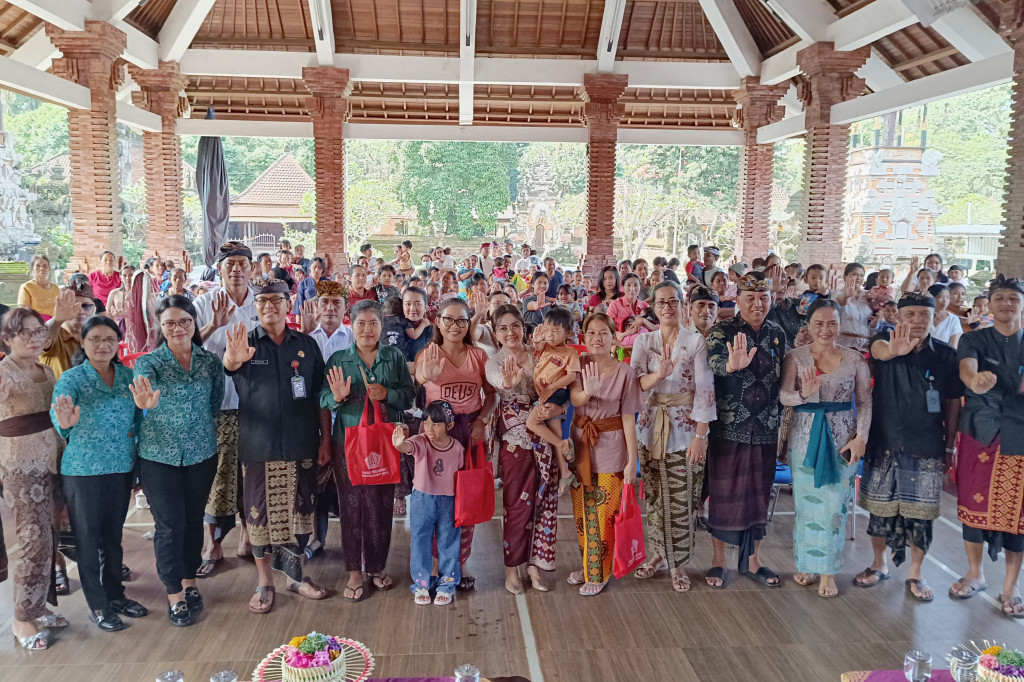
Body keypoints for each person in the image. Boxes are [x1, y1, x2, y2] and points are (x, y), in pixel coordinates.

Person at [223, 277, 331, 614]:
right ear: (255, 306)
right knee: (259, 516)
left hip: (301, 442)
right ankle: (265, 581)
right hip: (259, 445)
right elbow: (229, 366)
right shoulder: (245, 343)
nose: (269, 306)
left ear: (289, 303)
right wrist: (232, 358)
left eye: (277, 300)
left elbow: (319, 397)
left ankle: (296, 577)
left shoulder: (306, 345)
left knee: (300, 513)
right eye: (263, 301)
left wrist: (325, 438)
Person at [857, 292, 962, 602]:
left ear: (934, 317)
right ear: (899, 317)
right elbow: (877, 352)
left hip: (926, 442)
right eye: (910, 314)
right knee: (879, 510)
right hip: (884, 438)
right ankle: (879, 564)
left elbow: (953, 402)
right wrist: (894, 350)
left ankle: (916, 571)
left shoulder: (945, 355)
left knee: (922, 515)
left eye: (924, 315)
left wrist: (950, 445)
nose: (917, 320)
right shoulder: (884, 339)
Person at [131, 296, 224, 626]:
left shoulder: (210, 362)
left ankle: (189, 581)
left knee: (192, 520)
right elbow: (144, 396)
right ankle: (175, 595)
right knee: (169, 525)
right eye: (169, 323)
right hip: (159, 456)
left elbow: (215, 403)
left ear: (194, 323)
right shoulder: (149, 364)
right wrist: (145, 403)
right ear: (160, 326)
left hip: (201, 453)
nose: (178, 328)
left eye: (184, 321)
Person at [51, 316, 147, 632]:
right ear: (83, 342)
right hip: (84, 471)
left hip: (120, 467)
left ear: (118, 342)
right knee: (88, 540)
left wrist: (146, 411)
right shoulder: (71, 379)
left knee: (113, 537)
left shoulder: (127, 377)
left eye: (109, 339)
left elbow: (138, 419)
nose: (103, 345)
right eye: (95, 339)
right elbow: (59, 419)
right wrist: (64, 421)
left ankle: (115, 595)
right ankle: (98, 604)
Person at [321, 299, 415, 602]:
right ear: (352, 325)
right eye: (361, 323)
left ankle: (376, 566)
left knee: (381, 506)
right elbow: (322, 398)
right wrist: (336, 398)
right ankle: (354, 573)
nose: (367, 329)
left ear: (381, 326)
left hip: (385, 442)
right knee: (351, 507)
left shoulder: (395, 357)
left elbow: (410, 396)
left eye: (373, 323)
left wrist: (388, 394)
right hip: (347, 443)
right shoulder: (338, 359)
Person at [779, 300, 872, 598]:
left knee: (835, 508)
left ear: (840, 324)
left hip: (844, 441)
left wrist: (862, 437)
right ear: (807, 324)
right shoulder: (795, 357)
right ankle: (806, 562)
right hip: (804, 439)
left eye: (832, 323)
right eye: (819, 323)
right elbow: (783, 396)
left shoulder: (855, 359)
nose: (825, 329)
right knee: (806, 507)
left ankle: (828, 571)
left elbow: (865, 401)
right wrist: (803, 394)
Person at [631, 282, 715, 592]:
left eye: (673, 301)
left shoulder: (695, 342)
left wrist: (701, 435)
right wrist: (659, 375)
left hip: (685, 427)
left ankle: (678, 563)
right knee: (655, 496)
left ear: (682, 305)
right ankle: (658, 554)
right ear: (653, 307)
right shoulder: (645, 341)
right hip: (650, 426)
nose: (667, 307)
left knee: (682, 497)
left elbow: (705, 390)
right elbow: (636, 383)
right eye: (661, 302)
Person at [705, 271, 785, 588]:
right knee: (722, 496)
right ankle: (718, 561)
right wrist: (730, 365)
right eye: (750, 298)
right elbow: (711, 362)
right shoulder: (723, 330)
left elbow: (785, 376)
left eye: (763, 298)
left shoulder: (777, 333)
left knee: (758, 497)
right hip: (728, 427)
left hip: (765, 427)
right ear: (737, 300)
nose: (757, 304)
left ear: (771, 300)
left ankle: (753, 561)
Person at [951, 275, 1024, 617]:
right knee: (972, 505)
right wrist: (975, 381)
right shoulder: (975, 339)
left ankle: (1011, 587)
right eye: (1001, 298)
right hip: (981, 430)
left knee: (1018, 514)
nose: (1007, 304)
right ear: (990, 305)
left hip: (1020, 434)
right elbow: (967, 370)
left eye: (1014, 298)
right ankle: (975, 572)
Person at [415, 298, 497, 591]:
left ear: (468, 324)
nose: (454, 326)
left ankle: (460, 562)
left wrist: (482, 420)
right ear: (438, 321)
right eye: (448, 319)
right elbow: (420, 377)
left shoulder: (479, 356)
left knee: (467, 495)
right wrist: (427, 373)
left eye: (461, 320)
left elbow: (491, 395)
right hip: (438, 434)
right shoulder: (429, 353)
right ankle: (437, 563)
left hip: (470, 431)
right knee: (438, 498)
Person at [0, 308, 66, 650]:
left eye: (37, 332)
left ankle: (38, 607)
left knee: (50, 536)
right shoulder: (3, 373)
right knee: (32, 538)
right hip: (19, 464)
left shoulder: (44, 369)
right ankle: (21, 618)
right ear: (7, 337)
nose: (32, 338)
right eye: (23, 333)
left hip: (52, 457)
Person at [192, 242, 259, 575]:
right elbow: (184, 349)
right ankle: (213, 543)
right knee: (216, 474)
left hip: (253, 403)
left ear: (252, 268)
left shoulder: (262, 305)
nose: (236, 269)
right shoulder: (203, 304)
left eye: (242, 263)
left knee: (250, 472)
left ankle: (248, 534)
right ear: (219, 269)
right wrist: (213, 325)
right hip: (214, 404)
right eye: (229, 264)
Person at [566, 313, 642, 596]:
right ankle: (589, 566)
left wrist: (632, 461)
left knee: (603, 513)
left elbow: (627, 419)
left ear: (614, 338)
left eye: (604, 333)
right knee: (582, 513)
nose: (597, 338)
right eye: (592, 332)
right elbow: (575, 399)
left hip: (611, 446)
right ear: (584, 336)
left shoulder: (625, 372)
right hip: (581, 445)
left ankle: (599, 573)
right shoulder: (578, 364)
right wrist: (588, 394)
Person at [485, 305, 559, 594]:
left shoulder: (539, 354)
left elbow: (554, 387)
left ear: (523, 327)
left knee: (542, 504)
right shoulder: (495, 361)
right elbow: (496, 381)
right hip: (515, 442)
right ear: (496, 333)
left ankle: (534, 565)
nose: (510, 332)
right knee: (517, 506)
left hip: (545, 437)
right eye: (503, 328)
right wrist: (508, 382)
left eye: (515, 325)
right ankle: (512, 569)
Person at [392, 400, 464, 605]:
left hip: (449, 500)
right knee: (420, 540)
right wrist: (400, 445)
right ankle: (421, 584)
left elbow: (459, 472)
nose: (430, 428)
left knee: (449, 541)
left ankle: (446, 584)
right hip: (422, 499)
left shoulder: (457, 448)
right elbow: (408, 446)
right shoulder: (421, 441)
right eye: (427, 423)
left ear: (449, 426)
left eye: (436, 424)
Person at [41, 284, 96, 379]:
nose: (80, 311)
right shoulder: (55, 333)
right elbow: (42, 339)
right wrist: (57, 320)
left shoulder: (98, 334)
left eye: (86, 306)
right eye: (74, 306)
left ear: (94, 310)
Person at [607, 273, 656, 350]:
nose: (632, 289)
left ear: (640, 287)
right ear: (622, 287)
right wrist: (620, 344)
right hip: (619, 345)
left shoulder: (645, 306)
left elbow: (654, 328)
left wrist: (643, 321)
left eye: (636, 285)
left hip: (643, 347)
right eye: (629, 285)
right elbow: (607, 327)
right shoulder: (615, 304)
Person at [307, 280, 353, 362]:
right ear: (317, 305)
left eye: (336, 302)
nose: (330, 308)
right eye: (324, 302)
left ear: (346, 308)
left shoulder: (353, 338)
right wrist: (304, 333)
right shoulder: (308, 336)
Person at [834, 263, 873, 351]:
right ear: (845, 277)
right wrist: (846, 296)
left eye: (861, 275)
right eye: (854, 274)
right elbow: (841, 302)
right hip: (844, 344)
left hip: (865, 345)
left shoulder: (868, 295)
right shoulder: (837, 294)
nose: (858, 278)